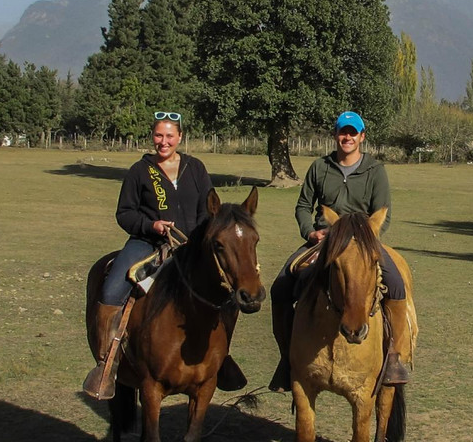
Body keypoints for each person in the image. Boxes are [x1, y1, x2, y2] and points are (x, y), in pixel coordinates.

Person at [84, 111, 246, 399]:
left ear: (180, 137)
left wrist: (199, 238)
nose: (164, 141)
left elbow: (209, 209)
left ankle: (222, 357)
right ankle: (107, 364)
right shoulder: (139, 171)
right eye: (159, 135)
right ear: (152, 137)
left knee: (228, 294)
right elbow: (125, 213)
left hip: (191, 245)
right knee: (111, 291)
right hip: (147, 242)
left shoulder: (195, 168)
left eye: (170, 135)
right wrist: (152, 226)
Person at [269, 111, 411, 392]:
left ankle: (393, 356)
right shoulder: (319, 167)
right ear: (335, 135)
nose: (347, 137)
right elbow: (303, 206)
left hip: (363, 242)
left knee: (396, 284)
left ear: (362, 137)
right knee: (280, 287)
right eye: (343, 132)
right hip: (324, 240)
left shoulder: (375, 170)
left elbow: (383, 213)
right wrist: (310, 232)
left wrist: (365, 240)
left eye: (353, 133)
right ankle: (287, 359)